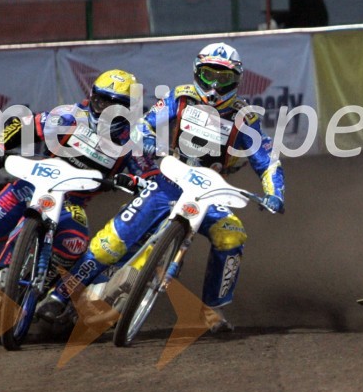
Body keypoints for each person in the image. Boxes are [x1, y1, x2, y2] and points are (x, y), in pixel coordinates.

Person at [37, 43, 285, 331]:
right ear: (197, 73)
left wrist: (275, 194)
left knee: (232, 237)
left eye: (224, 78)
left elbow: (267, 160)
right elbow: (144, 125)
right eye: (208, 76)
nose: (215, 86)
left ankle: (212, 311)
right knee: (113, 240)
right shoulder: (180, 97)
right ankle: (60, 295)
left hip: (210, 192)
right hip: (169, 180)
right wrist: (149, 140)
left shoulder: (246, 118)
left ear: (237, 80)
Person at [0, 70, 145, 317]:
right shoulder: (69, 116)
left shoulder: (133, 140)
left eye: (117, 107)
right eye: (102, 101)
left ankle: (44, 295)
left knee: (75, 242)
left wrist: (133, 181)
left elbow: (148, 176)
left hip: (72, 202)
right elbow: (23, 124)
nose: (106, 111)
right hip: (29, 187)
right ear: (92, 98)